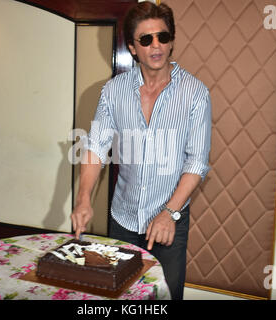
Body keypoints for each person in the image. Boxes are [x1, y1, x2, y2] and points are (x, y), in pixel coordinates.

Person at [71, 1, 211, 300]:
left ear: (171, 40)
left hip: (168, 221)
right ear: (133, 48)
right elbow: (96, 147)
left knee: (164, 299)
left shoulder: (195, 93)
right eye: (146, 39)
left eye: (163, 36)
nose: (156, 45)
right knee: (119, 295)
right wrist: (83, 199)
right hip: (122, 219)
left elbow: (197, 162)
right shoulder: (113, 90)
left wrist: (169, 213)